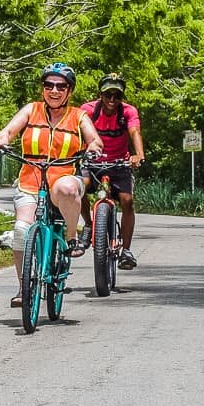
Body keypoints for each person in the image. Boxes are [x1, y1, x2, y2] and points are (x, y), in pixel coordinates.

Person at [0, 63, 102, 308]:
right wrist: (3, 139)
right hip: (30, 182)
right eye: (49, 85)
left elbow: (94, 139)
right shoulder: (31, 110)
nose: (54, 90)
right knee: (21, 231)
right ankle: (24, 288)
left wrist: (93, 147)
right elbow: (9, 130)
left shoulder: (78, 116)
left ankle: (71, 238)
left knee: (68, 189)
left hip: (62, 179)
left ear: (69, 91)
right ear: (43, 88)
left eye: (60, 86)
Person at [80, 72, 146, 269]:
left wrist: (138, 155)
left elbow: (135, 132)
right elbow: (77, 132)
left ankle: (126, 250)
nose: (112, 100)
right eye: (108, 94)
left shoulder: (128, 112)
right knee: (79, 188)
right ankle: (89, 224)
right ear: (100, 94)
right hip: (92, 162)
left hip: (119, 164)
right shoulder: (88, 110)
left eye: (117, 96)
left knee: (127, 201)